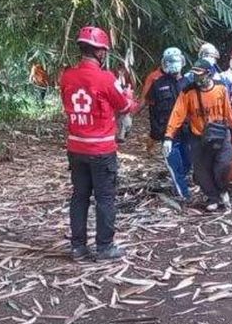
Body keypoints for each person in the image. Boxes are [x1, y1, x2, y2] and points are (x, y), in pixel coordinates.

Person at [59, 26, 138, 261]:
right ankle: (104, 247)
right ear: (101, 53)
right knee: (104, 198)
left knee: (79, 197)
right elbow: (126, 108)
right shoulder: (106, 79)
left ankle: (78, 247)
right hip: (101, 149)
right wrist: (130, 96)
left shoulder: (67, 77)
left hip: (76, 148)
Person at [164, 59, 232, 211]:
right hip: (198, 136)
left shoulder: (221, 89)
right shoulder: (188, 91)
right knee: (202, 170)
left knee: (223, 165)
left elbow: (227, 110)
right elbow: (178, 114)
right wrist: (169, 136)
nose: (197, 78)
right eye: (195, 75)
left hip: (221, 134)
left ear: (209, 74)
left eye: (200, 75)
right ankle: (212, 197)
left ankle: (222, 190)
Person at [146, 47, 191, 200]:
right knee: (175, 165)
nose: (174, 64)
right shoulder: (157, 84)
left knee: (187, 163)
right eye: (170, 61)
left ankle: (179, 184)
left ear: (182, 62)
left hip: (188, 132)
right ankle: (184, 196)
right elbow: (153, 112)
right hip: (168, 134)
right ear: (164, 63)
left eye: (176, 61)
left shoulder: (189, 83)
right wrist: (156, 134)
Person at [114, 63, 137, 143]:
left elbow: (133, 86)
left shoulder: (129, 74)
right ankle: (121, 135)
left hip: (126, 98)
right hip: (117, 98)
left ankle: (123, 133)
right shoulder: (113, 74)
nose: (121, 70)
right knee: (120, 118)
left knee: (125, 118)